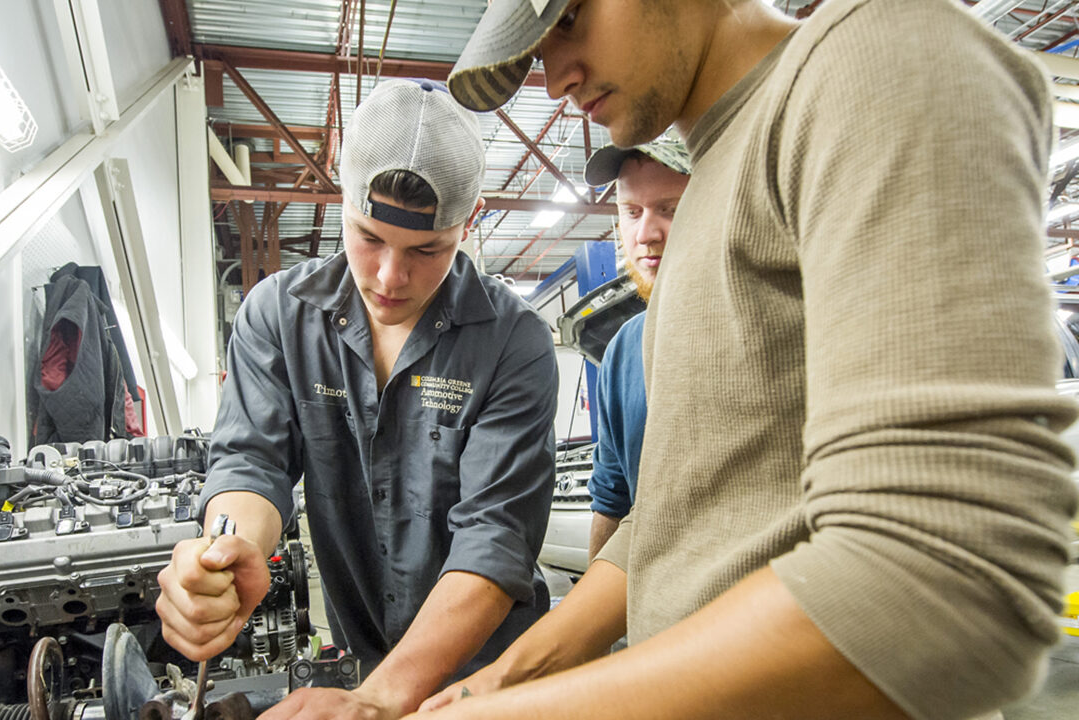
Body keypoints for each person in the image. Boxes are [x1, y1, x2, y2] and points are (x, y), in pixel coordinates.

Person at [416, 1, 1079, 718]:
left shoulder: (873, 59)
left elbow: (945, 579)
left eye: (570, 17)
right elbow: (682, 520)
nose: (554, 79)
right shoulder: (705, 209)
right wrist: (502, 680)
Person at [155, 78, 558, 720]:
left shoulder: (515, 341)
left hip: (486, 679)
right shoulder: (279, 317)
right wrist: (227, 552)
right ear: (340, 199)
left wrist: (382, 697)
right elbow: (252, 464)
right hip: (360, 658)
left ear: (470, 220)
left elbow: (496, 536)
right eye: (368, 237)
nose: (390, 277)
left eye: (428, 250)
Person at [583, 136, 690, 562]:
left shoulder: (764, 324)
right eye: (632, 212)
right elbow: (613, 498)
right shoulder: (624, 348)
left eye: (670, 209)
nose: (645, 234)